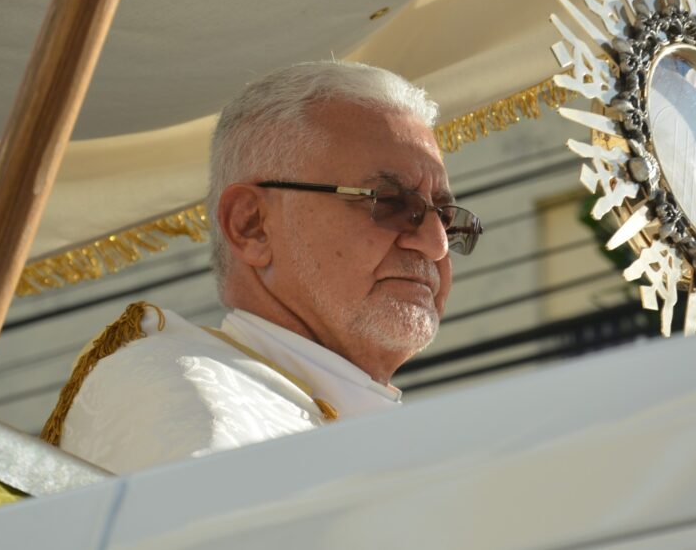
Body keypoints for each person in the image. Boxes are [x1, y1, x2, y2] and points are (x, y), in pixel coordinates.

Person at [41, 61, 482, 473]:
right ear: (251, 226)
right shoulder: (180, 394)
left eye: (445, 216)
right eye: (389, 202)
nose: (436, 244)